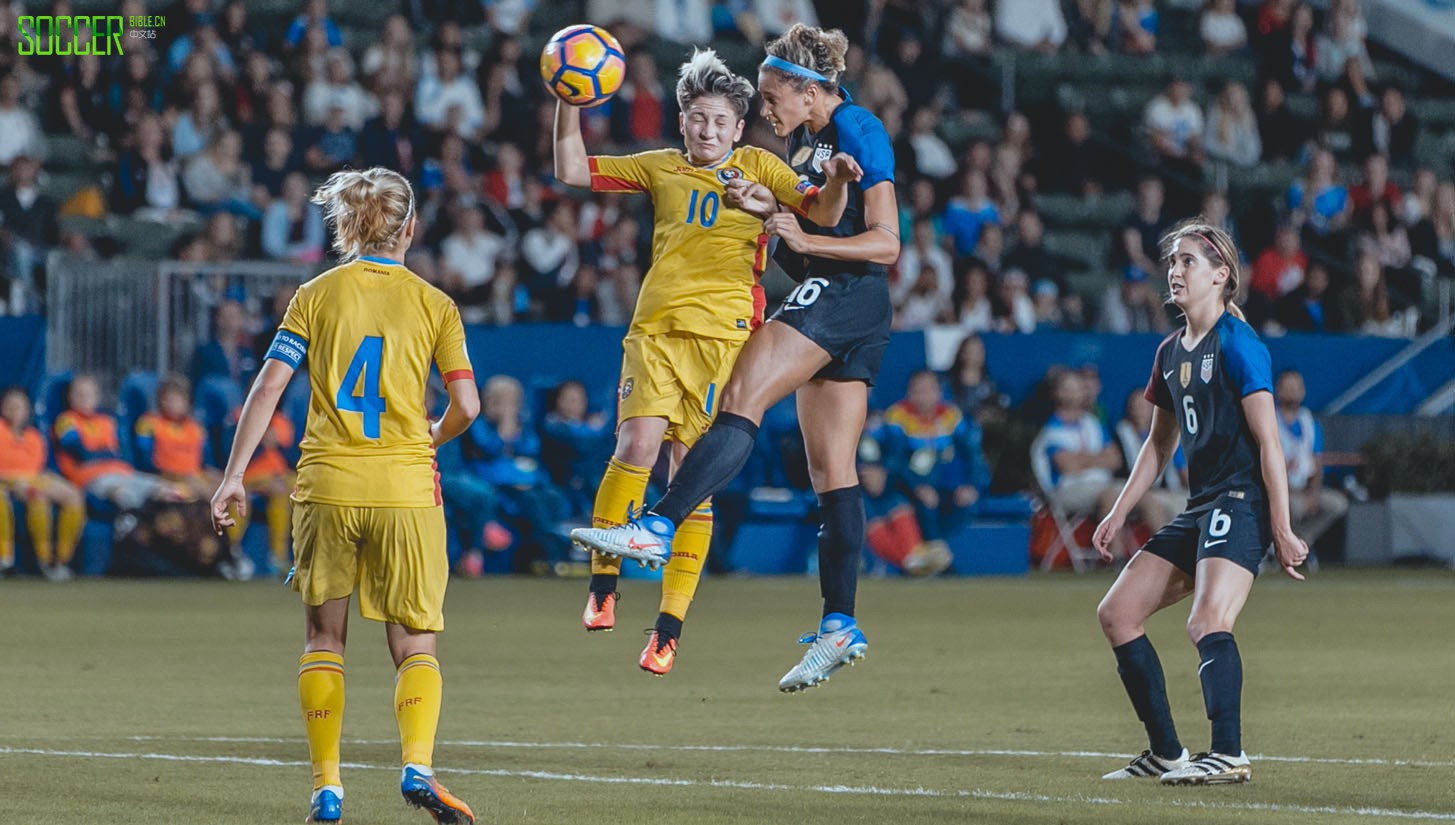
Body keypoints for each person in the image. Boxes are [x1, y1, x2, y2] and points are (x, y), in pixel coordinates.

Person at [572, 23, 900, 693]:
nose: (764, 108)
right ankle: (839, 623)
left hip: (841, 295)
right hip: (853, 309)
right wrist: (768, 209)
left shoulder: (858, 127)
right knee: (830, 471)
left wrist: (790, 231)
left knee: (738, 401)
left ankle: (658, 524)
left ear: (803, 89)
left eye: (771, 93)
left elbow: (885, 244)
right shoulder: (803, 146)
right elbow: (813, 221)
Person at [209, 167, 479, 825]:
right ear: (410, 227)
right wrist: (431, 437)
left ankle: (326, 789)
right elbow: (466, 403)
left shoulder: (314, 295)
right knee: (415, 642)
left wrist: (233, 474)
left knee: (323, 636)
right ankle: (417, 766)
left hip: (326, 484)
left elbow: (269, 386)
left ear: (347, 226)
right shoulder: (434, 303)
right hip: (406, 489)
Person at [1093, 219, 1308, 786]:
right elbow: (1159, 443)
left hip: (1241, 503)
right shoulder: (1169, 351)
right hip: (1202, 505)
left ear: (1222, 276)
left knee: (1208, 619)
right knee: (1117, 615)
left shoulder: (1239, 345)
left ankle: (1229, 753)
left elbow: (1269, 443)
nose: (1176, 270)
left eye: (1189, 261)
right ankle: (1166, 753)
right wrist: (1119, 510)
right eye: (1173, 262)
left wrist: (1282, 527)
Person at [0, 387, 84, 579]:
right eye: (10, 407)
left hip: (34, 479)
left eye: (19, 407)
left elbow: (37, 469)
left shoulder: (34, 437)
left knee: (74, 495)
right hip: (6, 481)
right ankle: (28, 560)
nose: (15, 412)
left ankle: (60, 560)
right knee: (37, 498)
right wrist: (16, 482)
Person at [1274, 369, 1347, 555]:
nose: (1292, 391)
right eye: (1287, 387)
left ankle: (1301, 541)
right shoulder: (1270, 421)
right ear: (1277, 390)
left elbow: (1316, 461)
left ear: (1303, 391)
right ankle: (1276, 546)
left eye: (1296, 387)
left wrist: (1313, 494)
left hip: (1303, 488)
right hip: (1279, 491)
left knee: (1336, 503)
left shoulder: (1309, 423)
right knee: (1294, 507)